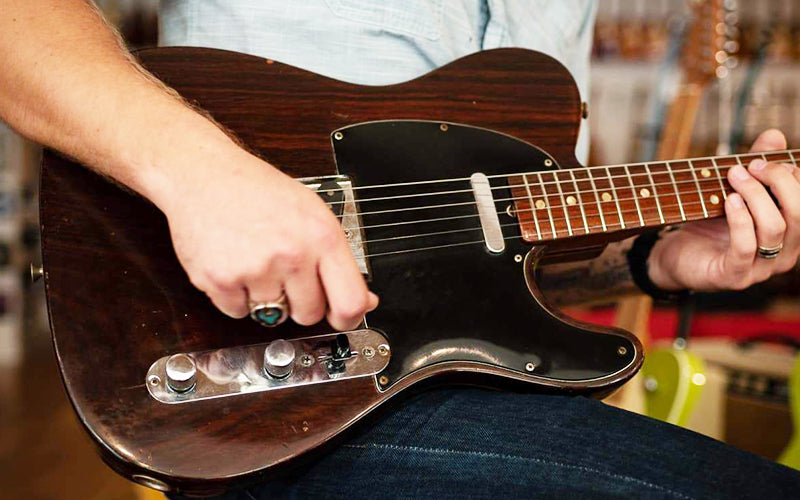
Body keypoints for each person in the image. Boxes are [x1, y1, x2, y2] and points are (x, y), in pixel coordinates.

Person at [1, 1, 799, 498]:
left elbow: (469, 261)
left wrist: (651, 260)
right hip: (279, 406)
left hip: (446, 385)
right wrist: (202, 174)